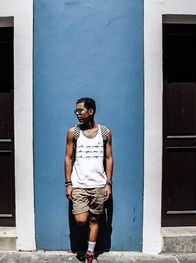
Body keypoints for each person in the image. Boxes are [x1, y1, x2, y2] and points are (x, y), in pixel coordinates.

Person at [64, 97, 113, 263]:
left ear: (90, 111)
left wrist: (108, 183)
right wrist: (68, 184)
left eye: (80, 110)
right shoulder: (74, 132)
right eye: (76, 111)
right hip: (79, 184)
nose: (77, 114)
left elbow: (109, 158)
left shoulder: (105, 132)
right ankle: (81, 245)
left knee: (94, 219)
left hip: (99, 184)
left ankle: (90, 254)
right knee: (81, 219)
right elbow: (68, 157)